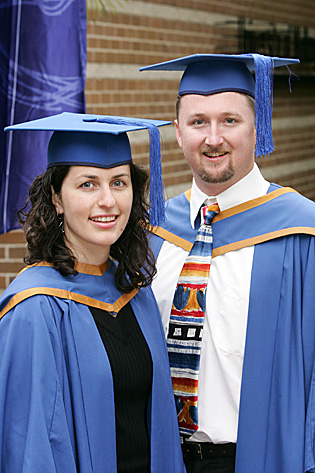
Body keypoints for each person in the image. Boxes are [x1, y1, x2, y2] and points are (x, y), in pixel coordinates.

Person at [140, 53, 315, 473]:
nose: (213, 138)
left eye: (230, 121)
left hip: (263, 458)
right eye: (198, 122)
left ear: (258, 127)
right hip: (162, 458)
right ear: (178, 133)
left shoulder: (302, 231)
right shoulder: (153, 233)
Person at [0, 112, 187, 473]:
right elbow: (28, 446)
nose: (108, 201)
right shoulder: (34, 309)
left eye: (119, 182)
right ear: (56, 198)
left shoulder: (133, 291)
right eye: (88, 185)